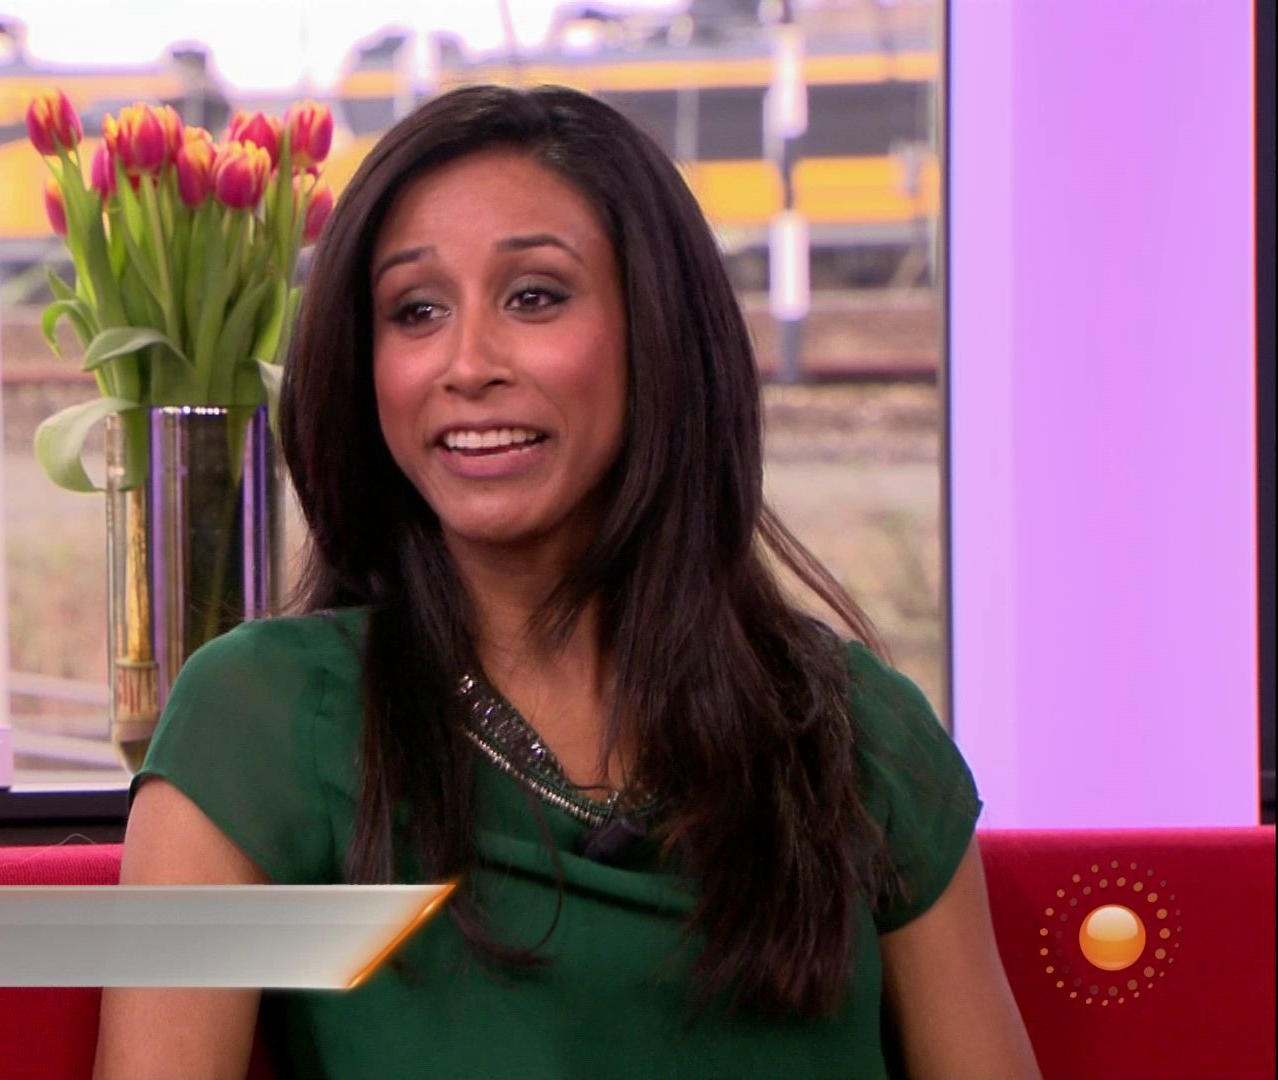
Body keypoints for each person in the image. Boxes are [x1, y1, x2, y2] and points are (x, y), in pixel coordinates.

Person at [95, 84, 1038, 1080]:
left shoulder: (858, 734)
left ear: (658, 330)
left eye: (535, 297)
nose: (467, 364)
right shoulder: (260, 719)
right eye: (416, 311)